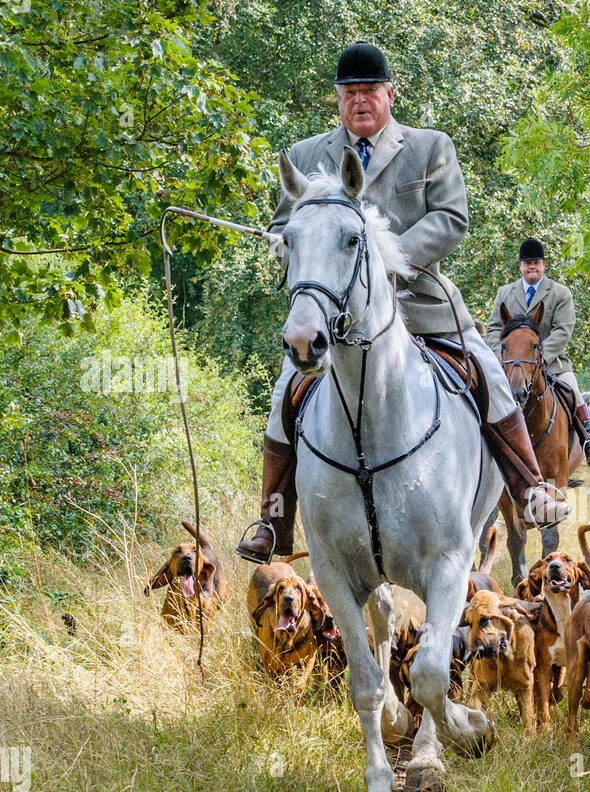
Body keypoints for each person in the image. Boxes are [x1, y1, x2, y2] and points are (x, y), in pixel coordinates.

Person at [235, 43, 568, 564]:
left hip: (423, 303)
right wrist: (284, 243)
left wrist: (389, 260)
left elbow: (451, 219)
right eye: (349, 93)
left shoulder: (430, 147)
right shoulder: (304, 157)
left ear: (390, 94)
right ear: (338, 100)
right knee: (285, 392)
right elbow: (283, 226)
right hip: (336, 318)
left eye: (369, 91)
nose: (359, 101)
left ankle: (530, 489)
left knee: (490, 370)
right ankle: (274, 521)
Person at [485, 238, 590, 464]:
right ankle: (483, 442)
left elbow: (563, 330)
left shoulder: (560, 293)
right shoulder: (504, 293)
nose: (532, 267)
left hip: (551, 363)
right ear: (520, 266)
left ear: (544, 265)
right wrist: (501, 356)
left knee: (572, 386)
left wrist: (540, 356)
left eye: (536, 262)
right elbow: (493, 329)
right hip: (513, 365)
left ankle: (589, 440)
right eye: (527, 263)